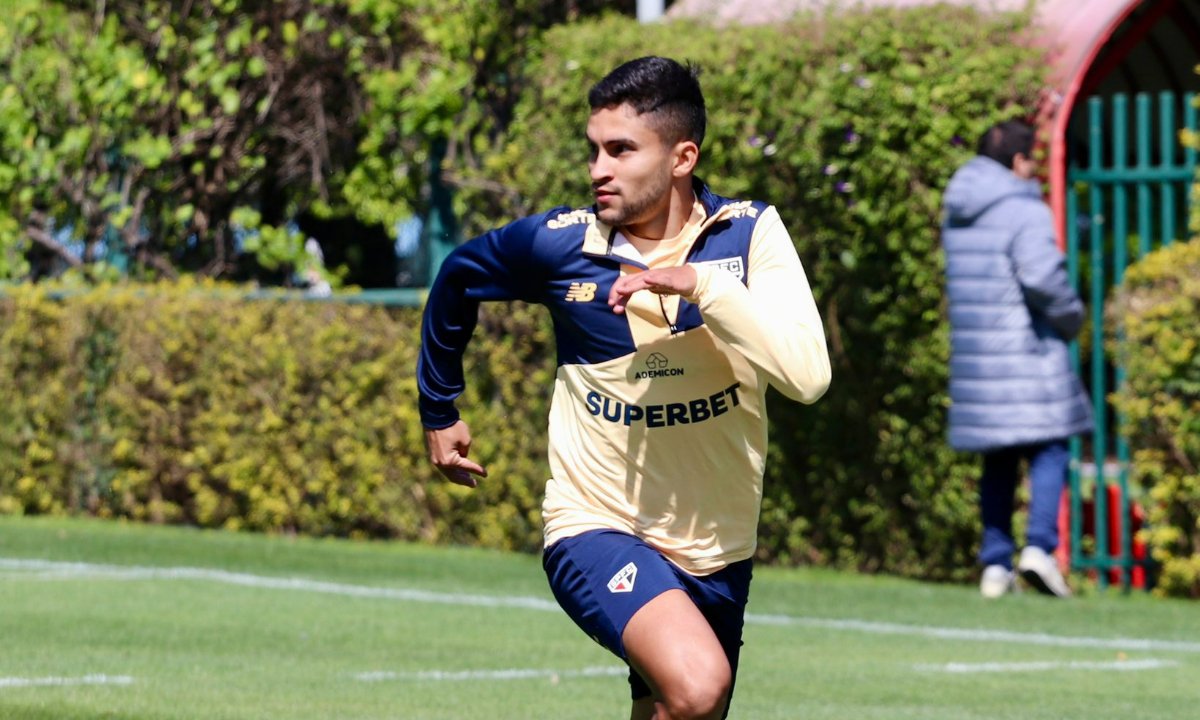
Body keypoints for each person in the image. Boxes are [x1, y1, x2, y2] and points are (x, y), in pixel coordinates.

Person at [418, 56, 830, 719]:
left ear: (682, 157)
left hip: (719, 550)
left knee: (679, 706)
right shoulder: (559, 246)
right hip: (596, 524)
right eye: (594, 150)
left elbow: (807, 379)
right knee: (697, 685)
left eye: (621, 150)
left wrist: (702, 286)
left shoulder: (750, 235)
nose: (597, 169)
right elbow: (459, 277)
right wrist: (438, 407)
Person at [941, 119, 1092, 599]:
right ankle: (1040, 550)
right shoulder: (1023, 207)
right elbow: (1042, 277)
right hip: (1027, 349)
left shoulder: (959, 204)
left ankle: (995, 564)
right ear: (1021, 161)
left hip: (979, 358)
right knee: (1052, 444)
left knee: (999, 458)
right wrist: (1073, 316)